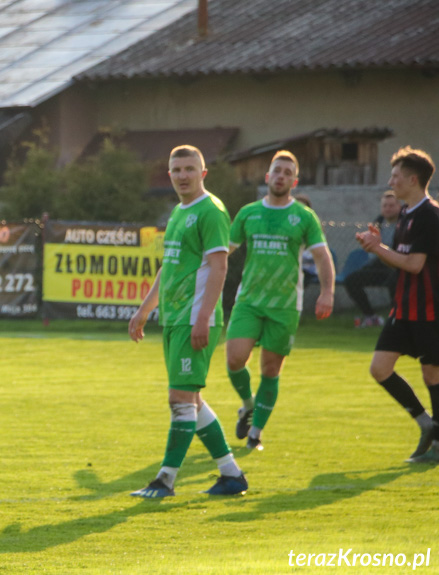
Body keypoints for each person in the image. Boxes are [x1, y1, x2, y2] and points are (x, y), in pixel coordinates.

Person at [128, 145, 247, 498]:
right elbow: (170, 266)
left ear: (203, 173)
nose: (183, 175)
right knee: (189, 398)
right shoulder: (180, 212)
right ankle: (231, 474)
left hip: (196, 319)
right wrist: (145, 308)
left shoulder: (211, 211)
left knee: (180, 397)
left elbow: (220, 265)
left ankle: (165, 479)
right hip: (176, 318)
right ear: (169, 175)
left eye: (189, 169)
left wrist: (204, 317)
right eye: (176, 169)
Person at [226, 151, 335, 451]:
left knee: (270, 370)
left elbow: (322, 255)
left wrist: (327, 292)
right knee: (234, 359)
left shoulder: (304, 216)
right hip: (249, 299)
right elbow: (225, 251)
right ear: (267, 177)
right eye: (277, 171)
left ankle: (255, 434)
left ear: (294, 180)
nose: (281, 176)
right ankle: (248, 406)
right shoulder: (248, 213)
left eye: (288, 172)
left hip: (285, 304)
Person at [357, 146, 439, 463]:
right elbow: (402, 261)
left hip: (430, 311)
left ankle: (436, 442)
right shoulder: (405, 213)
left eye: (395, 175)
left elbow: (415, 265)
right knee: (380, 369)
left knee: (431, 373)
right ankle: (426, 424)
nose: (390, 180)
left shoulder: (430, 216)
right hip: (403, 309)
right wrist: (380, 247)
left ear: (413, 179)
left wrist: (379, 249)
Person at [345, 191, 401, 327]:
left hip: (397, 265)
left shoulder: (405, 224)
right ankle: (371, 316)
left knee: (394, 282)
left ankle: (397, 319)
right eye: (385, 206)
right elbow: (372, 249)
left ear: (399, 207)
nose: (388, 208)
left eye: (391, 205)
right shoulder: (377, 223)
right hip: (378, 264)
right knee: (351, 280)